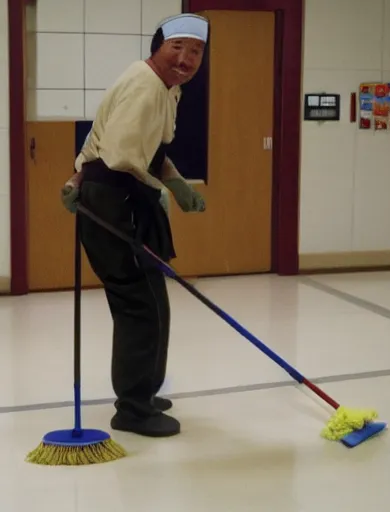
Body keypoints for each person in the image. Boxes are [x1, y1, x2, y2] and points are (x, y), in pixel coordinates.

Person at [60, 13, 209, 438]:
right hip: (116, 202)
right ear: (157, 45)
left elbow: (124, 143)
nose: (186, 58)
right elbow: (120, 158)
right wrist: (160, 191)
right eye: (177, 47)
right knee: (139, 305)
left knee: (152, 300)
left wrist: (176, 182)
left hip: (117, 196)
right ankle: (132, 409)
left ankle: (143, 392)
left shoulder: (164, 87)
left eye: (196, 51)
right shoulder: (145, 88)